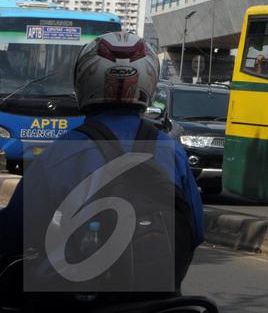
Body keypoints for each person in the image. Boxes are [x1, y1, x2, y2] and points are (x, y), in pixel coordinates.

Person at [0, 32, 205, 307]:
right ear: (148, 84)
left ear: (85, 80)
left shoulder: (61, 153)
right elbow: (196, 231)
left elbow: (13, 234)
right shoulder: (173, 152)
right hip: (159, 302)